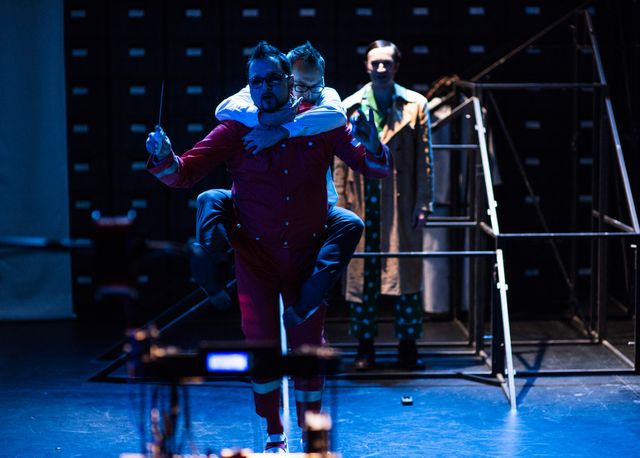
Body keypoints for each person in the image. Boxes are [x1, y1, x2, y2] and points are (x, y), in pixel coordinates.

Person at [145, 41, 391, 453]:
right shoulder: (236, 128)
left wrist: (373, 144)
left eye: (272, 79)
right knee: (260, 346)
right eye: (256, 81)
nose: (264, 88)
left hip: (307, 255)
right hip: (255, 258)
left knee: (309, 348)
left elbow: (375, 168)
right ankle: (274, 435)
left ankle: (312, 439)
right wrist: (164, 155)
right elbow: (182, 174)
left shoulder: (321, 123)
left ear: (289, 84)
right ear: (249, 86)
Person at [193, 42, 364, 330]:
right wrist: (266, 118)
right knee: (210, 198)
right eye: (300, 87)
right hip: (260, 212)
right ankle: (212, 270)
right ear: (289, 82)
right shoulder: (258, 96)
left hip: (312, 206)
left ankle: (310, 299)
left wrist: (285, 129)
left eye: (315, 87)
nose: (307, 95)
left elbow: (337, 114)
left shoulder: (326, 103)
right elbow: (223, 108)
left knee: (350, 223)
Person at [334, 39, 434, 371]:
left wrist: (424, 202)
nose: (380, 68)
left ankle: (408, 347)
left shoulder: (415, 104)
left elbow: (425, 159)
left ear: (396, 66)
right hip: (362, 200)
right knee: (362, 275)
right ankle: (365, 349)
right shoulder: (349, 106)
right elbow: (339, 163)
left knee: (406, 275)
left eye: (386, 63)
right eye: (375, 62)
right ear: (366, 66)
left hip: (400, 200)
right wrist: (338, 206)